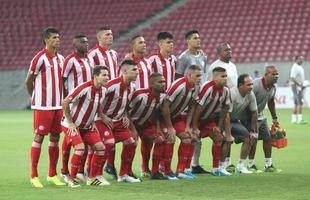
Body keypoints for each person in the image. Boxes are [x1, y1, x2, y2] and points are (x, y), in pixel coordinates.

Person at [25, 27, 65, 188]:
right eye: (54, 37)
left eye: (58, 37)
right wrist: (34, 98)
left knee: (55, 138)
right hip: (43, 106)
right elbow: (29, 81)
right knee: (39, 137)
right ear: (46, 40)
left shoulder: (61, 59)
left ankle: (52, 174)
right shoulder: (39, 58)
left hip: (58, 105)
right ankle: (34, 175)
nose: (58, 40)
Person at [61, 66, 110, 187]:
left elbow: (96, 105)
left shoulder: (103, 90)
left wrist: (96, 119)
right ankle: (72, 179)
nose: (107, 77)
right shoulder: (84, 87)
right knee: (80, 148)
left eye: (107, 75)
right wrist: (71, 123)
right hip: (70, 125)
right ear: (95, 76)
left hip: (87, 127)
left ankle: (92, 178)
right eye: (104, 75)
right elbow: (65, 102)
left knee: (101, 148)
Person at [95, 59, 141, 183]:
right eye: (134, 70)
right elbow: (97, 100)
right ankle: (96, 175)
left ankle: (124, 174)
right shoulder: (111, 85)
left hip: (119, 121)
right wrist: (103, 116)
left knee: (131, 143)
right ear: (125, 71)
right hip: (102, 120)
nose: (138, 72)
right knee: (108, 144)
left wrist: (125, 116)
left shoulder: (132, 86)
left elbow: (124, 105)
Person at [140, 32, 176, 176]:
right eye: (168, 42)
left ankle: (162, 166)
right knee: (150, 137)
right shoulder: (152, 60)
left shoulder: (173, 59)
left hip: (168, 103)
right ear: (160, 44)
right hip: (154, 102)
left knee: (166, 135)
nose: (171, 44)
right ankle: (145, 167)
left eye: (172, 42)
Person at [176, 29, 208, 174]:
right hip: (187, 99)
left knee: (196, 132)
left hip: (198, 98)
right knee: (187, 133)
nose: (198, 40)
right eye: (195, 38)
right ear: (187, 41)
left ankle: (195, 164)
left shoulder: (203, 56)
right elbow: (178, 76)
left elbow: (204, 75)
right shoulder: (183, 58)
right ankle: (184, 166)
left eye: (199, 38)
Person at [61, 34, 93, 182]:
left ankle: (79, 171)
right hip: (73, 103)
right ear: (75, 45)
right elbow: (62, 80)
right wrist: (66, 99)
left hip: (86, 104)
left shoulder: (89, 59)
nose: (86, 44)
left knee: (84, 138)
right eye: (82, 42)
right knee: (70, 137)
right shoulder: (69, 60)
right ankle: (64, 171)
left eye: (86, 42)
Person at [162, 65, 202, 179]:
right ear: (188, 76)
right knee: (170, 138)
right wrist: (170, 127)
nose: (199, 78)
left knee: (188, 138)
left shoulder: (196, 87)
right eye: (197, 76)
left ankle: (181, 170)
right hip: (163, 117)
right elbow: (165, 105)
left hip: (177, 117)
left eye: (200, 76)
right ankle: (166, 170)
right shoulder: (179, 85)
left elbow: (192, 107)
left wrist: (188, 126)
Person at [192, 67, 234, 176]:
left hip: (207, 120)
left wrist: (219, 127)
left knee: (218, 137)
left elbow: (225, 110)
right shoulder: (207, 87)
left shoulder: (226, 90)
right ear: (215, 77)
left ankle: (216, 169)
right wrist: (195, 127)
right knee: (195, 140)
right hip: (195, 118)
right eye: (222, 76)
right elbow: (198, 108)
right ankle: (193, 166)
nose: (225, 78)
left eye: (226, 76)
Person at [241, 65, 282, 173]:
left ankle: (268, 165)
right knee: (253, 139)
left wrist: (274, 118)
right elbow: (245, 100)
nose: (276, 76)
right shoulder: (255, 85)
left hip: (261, 115)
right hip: (249, 116)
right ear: (266, 74)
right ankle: (251, 165)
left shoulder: (273, 87)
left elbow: (271, 102)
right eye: (273, 74)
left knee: (268, 138)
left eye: (277, 74)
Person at [205, 42, 238, 172]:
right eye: (226, 50)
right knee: (221, 135)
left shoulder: (233, 66)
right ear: (219, 53)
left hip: (231, 103)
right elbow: (210, 84)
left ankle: (226, 162)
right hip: (219, 106)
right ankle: (219, 165)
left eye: (230, 49)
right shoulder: (215, 66)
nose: (229, 52)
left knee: (228, 135)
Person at [128, 73, 167, 179]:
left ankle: (154, 172)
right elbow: (126, 110)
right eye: (160, 82)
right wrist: (132, 129)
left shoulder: (162, 96)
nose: (163, 84)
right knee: (131, 144)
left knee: (160, 140)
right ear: (152, 84)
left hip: (145, 124)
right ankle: (127, 172)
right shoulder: (140, 95)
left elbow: (157, 113)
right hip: (132, 124)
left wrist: (158, 127)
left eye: (164, 81)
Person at [229, 74, 258, 174]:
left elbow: (254, 113)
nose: (251, 87)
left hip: (234, 121)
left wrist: (252, 131)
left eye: (252, 84)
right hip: (223, 120)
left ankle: (240, 166)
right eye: (248, 84)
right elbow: (225, 114)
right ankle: (221, 166)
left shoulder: (251, 94)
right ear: (240, 85)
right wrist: (226, 132)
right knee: (225, 139)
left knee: (249, 138)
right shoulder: (232, 93)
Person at [290, 55, 307, 124]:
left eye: (303, 59)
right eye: (300, 59)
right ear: (296, 59)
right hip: (297, 87)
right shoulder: (295, 67)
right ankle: (299, 119)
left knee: (296, 103)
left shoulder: (299, 67)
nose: (302, 60)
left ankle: (294, 120)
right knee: (300, 102)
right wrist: (300, 85)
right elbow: (292, 78)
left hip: (298, 87)